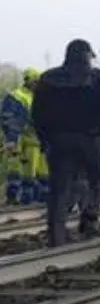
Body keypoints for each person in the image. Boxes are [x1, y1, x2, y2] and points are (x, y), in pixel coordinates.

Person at [30, 39, 100, 247]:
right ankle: (89, 221)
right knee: (97, 181)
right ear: (88, 56)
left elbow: (37, 113)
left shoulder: (48, 79)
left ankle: (56, 235)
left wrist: (44, 138)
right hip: (92, 140)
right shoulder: (99, 78)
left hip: (58, 141)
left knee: (59, 188)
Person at [2, 68, 46, 204]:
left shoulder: (40, 97)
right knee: (18, 171)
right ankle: (15, 198)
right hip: (21, 140)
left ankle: (37, 201)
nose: (37, 85)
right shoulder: (16, 96)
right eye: (35, 82)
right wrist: (12, 140)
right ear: (29, 81)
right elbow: (9, 120)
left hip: (38, 142)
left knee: (42, 174)